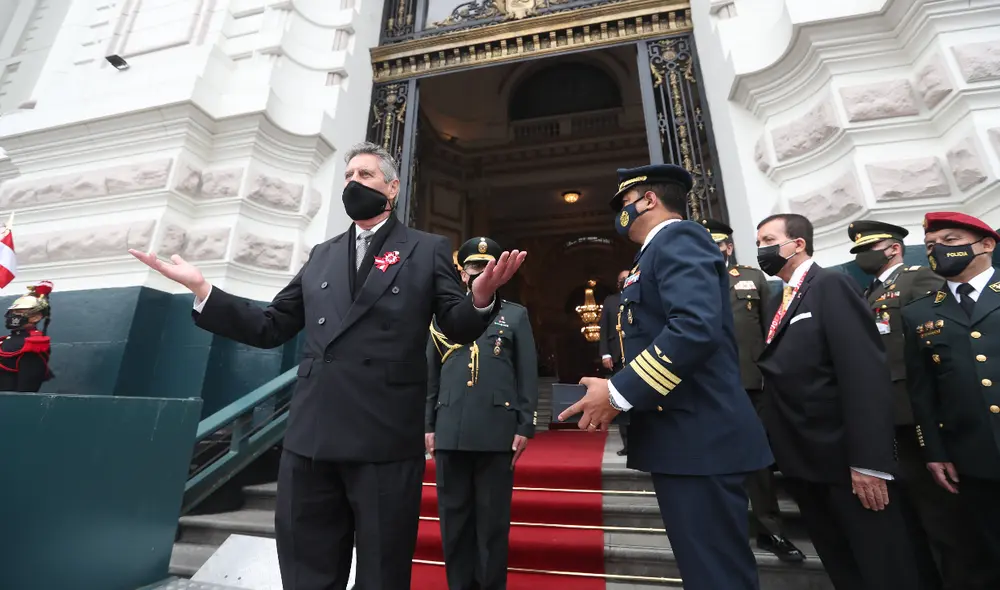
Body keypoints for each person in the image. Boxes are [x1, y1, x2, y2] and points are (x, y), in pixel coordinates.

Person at [129, 141, 526, 590]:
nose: (353, 183)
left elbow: (456, 326)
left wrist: (479, 299)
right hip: (311, 438)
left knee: (382, 571)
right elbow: (271, 325)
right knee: (306, 568)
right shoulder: (322, 254)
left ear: (392, 188)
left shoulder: (425, 248)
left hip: (384, 439)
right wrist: (204, 291)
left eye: (365, 176)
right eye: (348, 176)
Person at [558, 164, 773, 590]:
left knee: (716, 572)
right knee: (704, 567)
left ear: (648, 198)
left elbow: (693, 328)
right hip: (683, 436)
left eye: (622, 203)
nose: (618, 214)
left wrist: (618, 392)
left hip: (700, 436)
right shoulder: (653, 253)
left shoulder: (679, 237)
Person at [754, 213, 920, 590]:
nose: (762, 249)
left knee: (881, 563)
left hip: (847, 462)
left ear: (797, 244)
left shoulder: (830, 285)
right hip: (806, 461)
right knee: (843, 564)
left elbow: (863, 374)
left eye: (768, 240)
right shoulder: (782, 298)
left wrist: (869, 461)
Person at [849, 219, 990, 589]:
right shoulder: (870, 291)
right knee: (920, 518)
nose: (937, 249)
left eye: (869, 248)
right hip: (894, 418)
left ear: (894, 247)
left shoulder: (917, 281)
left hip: (922, 416)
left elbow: (939, 348)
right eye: (932, 243)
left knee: (948, 522)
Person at [425, 236, 539, 590]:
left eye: (486, 266)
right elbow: (430, 375)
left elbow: (526, 372)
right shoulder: (441, 317)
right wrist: (427, 424)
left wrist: (525, 423)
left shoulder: (515, 315)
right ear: (462, 273)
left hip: (496, 429)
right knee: (453, 521)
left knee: (491, 524)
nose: (480, 271)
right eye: (474, 266)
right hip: (449, 429)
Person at [902, 212, 1000, 574]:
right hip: (974, 456)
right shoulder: (920, 312)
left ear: (986, 244)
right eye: (930, 246)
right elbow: (923, 390)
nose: (938, 250)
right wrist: (934, 451)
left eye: (951, 241)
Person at [701, 218, 803, 563]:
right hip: (708, 388)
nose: (712, 251)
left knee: (758, 461)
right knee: (712, 460)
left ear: (727, 247)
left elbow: (772, 331)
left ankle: (770, 529)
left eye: (717, 244)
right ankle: (723, 532)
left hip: (752, 384)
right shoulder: (691, 282)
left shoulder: (752, 278)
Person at [0, 280, 54, 392]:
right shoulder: (6, 341)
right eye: (13, 312)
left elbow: (26, 389)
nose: (13, 315)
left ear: (36, 317)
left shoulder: (32, 345)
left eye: (19, 312)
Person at [597, 269, 630, 455]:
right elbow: (604, 330)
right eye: (621, 279)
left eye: (627, 277)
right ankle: (627, 444)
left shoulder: (641, 296)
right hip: (617, 359)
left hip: (639, 357)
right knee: (620, 401)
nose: (624, 281)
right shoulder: (610, 301)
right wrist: (605, 354)